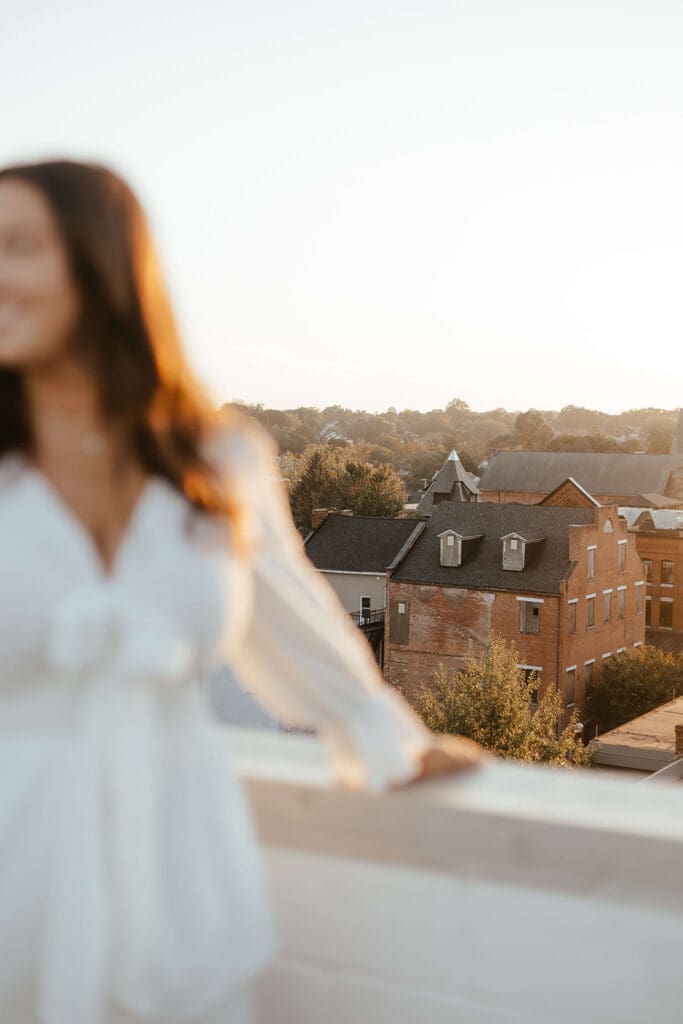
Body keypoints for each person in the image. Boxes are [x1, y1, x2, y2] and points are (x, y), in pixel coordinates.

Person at [0, 159, 482, 1024]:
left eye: (17, 245)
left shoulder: (214, 461)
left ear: (101, 262)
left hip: (174, 854)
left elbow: (293, 619)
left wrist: (389, 743)